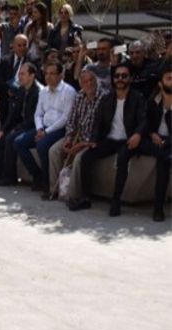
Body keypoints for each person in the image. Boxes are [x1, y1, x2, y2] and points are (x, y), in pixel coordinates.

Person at [80, 62, 147, 217]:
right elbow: (98, 121)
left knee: (122, 158)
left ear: (130, 78)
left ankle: (115, 201)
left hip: (127, 140)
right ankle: (85, 196)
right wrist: (93, 140)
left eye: (124, 76)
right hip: (110, 140)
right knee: (86, 157)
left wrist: (137, 134)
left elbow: (144, 120)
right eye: (117, 76)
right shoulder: (107, 99)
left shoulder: (138, 98)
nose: (120, 79)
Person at [46, 67, 106, 207]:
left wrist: (83, 144)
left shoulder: (104, 98)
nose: (89, 84)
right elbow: (72, 121)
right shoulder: (80, 96)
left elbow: (101, 129)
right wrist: (68, 138)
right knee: (54, 150)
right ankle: (55, 190)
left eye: (91, 80)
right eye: (85, 81)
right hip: (76, 136)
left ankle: (73, 195)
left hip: (91, 141)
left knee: (79, 158)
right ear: (80, 83)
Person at [15, 61, 76, 197]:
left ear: (61, 75)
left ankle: (48, 185)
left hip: (59, 129)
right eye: (46, 74)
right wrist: (40, 129)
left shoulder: (69, 91)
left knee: (42, 145)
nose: (48, 77)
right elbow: (38, 114)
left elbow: (66, 118)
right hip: (43, 128)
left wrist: (46, 132)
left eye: (52, 74)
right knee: (19, 142)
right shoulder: (44, 91)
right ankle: (37, 175)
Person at [0, 63, 41, 186]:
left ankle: (10, 176)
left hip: (34, 126)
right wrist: (3, 129)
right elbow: (14, 113)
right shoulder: (21, 89)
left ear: (32, 76)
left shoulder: (38, 92)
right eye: (19, 74)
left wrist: (16, 129)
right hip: (22, 125)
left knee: (11, 139)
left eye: (23, 74)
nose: (20, 77)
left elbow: (33, 118)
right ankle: (0, 174)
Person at [140, 66, 172, 221]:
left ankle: (158, 209)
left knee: (163, 163)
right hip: (154, 140)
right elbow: (145, 122)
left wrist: (166, 142)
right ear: (161, 84)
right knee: (164, 157)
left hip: (169, 142)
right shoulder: (154, 100)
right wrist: (152, 134)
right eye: (169, 79)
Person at [0, 35, 38, 129]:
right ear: (13, 46)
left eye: (24, 45)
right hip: (6, 102)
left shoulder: (34, 60)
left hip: (23, 103)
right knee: (4, 131)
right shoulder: (5, 60)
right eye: (19, 45)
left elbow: (35, 81)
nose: (22, 48)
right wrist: (7, 91)